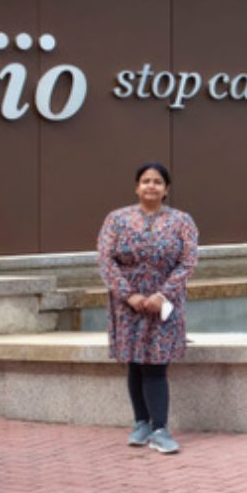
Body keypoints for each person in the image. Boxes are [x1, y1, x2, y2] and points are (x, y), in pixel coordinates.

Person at [98, 162, 199, 454]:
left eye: (157, 182)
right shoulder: (116, 220)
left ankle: (160, 429)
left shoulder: (182, 221)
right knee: (134, 362)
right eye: (145, 181)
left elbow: (189, 261)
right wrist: (129, 295)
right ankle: (141, 423)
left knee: (156, 364)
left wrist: (163, 294)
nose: (151, 186)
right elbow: (105, 260)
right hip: (127, 305)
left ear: (166, 189)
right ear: (136, 187)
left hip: (164, 305)